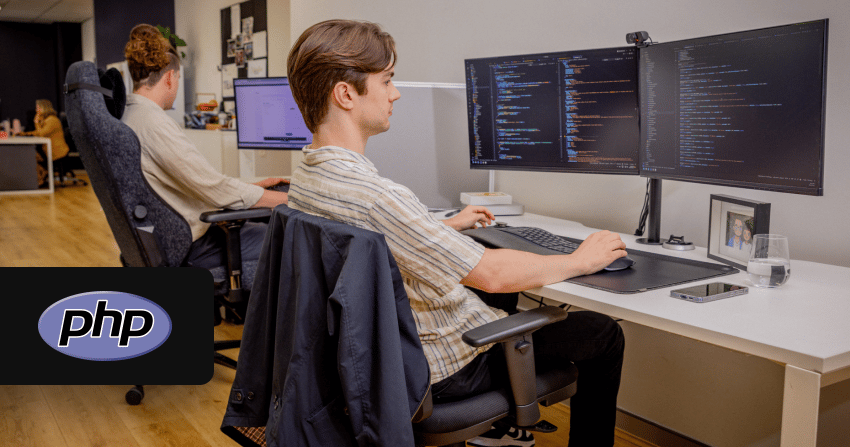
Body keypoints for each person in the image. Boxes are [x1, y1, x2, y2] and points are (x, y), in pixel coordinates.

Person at [286, 20, 626, 447]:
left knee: (497, 290)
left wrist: (438, 227)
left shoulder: (307, 178)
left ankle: (499, 432)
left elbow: (369, 244)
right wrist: (580, 259)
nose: (395, 93)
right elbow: (492, 275)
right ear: (346, 94)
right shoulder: (377, 196)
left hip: (380, 359)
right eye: (386, 81)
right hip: (445, 365)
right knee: (603, 333)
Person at [121, 24, 288, 270]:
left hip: (165, 238)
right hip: (195, 246)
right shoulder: (153, 123)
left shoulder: (129, 116)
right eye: (178, 79)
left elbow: (198, 183)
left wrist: (252, 188)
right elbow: (214, 189)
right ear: (170, 78)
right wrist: (292, 199)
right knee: (291, 238)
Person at [15, 99, 70, 187]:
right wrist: (24, 134)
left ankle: (41, 179)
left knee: (32, 155)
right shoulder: (46, 119)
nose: (36, 110)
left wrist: (36, 122)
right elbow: (39, 132)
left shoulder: (52, 120)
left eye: (38, 108)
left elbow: (41, 134)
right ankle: (41, 178)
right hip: (48, 150)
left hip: (56, 152)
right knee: (32, 155)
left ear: (44, 108)